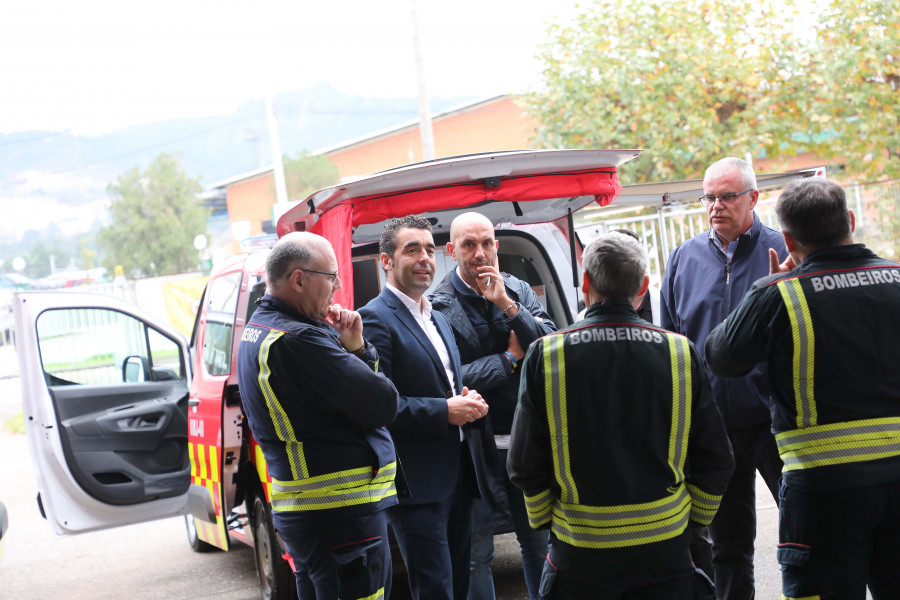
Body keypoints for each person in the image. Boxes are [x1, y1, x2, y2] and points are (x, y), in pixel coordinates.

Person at [507, 231, 734, 599]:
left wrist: (546, 521)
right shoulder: (679, 352)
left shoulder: (545, 355)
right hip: (665, 554)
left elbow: (523, 464)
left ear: (585, 284)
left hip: (580, 558)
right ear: (643, 286)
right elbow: (716, 458)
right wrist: (693, 521)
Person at [705, 179, 900, 599]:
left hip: (824, 494)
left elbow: (721, 357)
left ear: (788, 239)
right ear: (850, 220)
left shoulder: (780, 296)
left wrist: (765, 289)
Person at [235, 232, 400, 600]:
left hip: (309, 517)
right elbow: (384, 403)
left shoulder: (261, 330)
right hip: (342, 518)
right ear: (298, 279)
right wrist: (357, 347)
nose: (338, 287)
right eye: (331, 277)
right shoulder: (302, 341)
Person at [660, 156, 786, 599]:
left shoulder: (783, 251)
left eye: (727, 196)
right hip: (714, 426)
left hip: (777, 421)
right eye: (709, 197)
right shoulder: (682, 260)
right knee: (727, 545)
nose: (716, 205)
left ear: (753, 198)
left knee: (802, 534)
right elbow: (672, 346)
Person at [359, 215, 490, 600]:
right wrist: (444, 410)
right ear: (386, 261)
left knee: (461, 584)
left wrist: (466, 400)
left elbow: (445, 383)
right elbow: (380, 406)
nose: (424, 258)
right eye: (411, 249)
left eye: (430, 250)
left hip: (459, 473)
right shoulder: (375, 319)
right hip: (417, 484)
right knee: (435, 588)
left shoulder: (435, 315)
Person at [429, 211, 555, 600]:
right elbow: (449, 379)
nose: (479, 252)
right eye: (469, 244)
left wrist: (507, 304)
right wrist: (507, 361)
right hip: (474, 449)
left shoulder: (517, 290)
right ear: (451, 251)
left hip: (526, 441)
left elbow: (548, 350)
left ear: (496, 247)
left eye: (486, 243)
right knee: (476, 554)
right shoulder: (437, 306)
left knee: (538, 546)